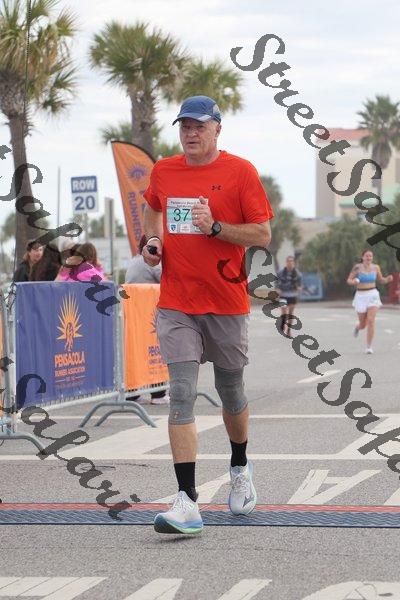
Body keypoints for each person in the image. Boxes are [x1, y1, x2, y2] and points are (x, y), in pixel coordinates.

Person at [142, 95, 273, 535]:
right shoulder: (165, 170)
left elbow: (262, 233)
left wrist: (215, 227)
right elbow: (152, 207)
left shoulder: (240, 172)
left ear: (218, 128)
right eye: (185, 126)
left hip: (226, 301)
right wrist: (152, 242)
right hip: (177, 301)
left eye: (199, 125)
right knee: (181, 392)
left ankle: (239, 465)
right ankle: (187, 501)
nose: (191, 133)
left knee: (230, 390)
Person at [125, 235, 168, 405]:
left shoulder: (134, 261)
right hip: (149, 314)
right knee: (155, 351)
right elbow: (167, 279)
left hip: (133, 314)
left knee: (135, 354)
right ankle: (158, 393)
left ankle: (132, 393)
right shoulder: (152, 263)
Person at [347, 249, 393, 354]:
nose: (369, 258)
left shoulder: (376, 267)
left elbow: (381, 280)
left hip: (373, 294)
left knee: (371, 320)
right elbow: (349, 280)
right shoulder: (357, 267)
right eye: (367, 256)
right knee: (363, 324)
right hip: (360, 296)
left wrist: (387, 279)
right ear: (363, 257)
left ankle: (369, 347)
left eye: (370, 256)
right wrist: (354, 281)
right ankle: (358, 327)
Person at [275, 255, 302, 337]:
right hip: (283, 294)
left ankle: (288, 330)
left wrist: (299, 288)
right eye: (288, 261)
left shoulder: (298, 274)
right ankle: (283, 323)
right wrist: (277, 289)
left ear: (294, 263)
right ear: (286, 262)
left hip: (293, 295)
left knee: (290, 313)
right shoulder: (280, 272)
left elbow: (300, 285)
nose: (290, 263)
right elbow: (276, 282)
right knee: (284, 312)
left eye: (291, 261)